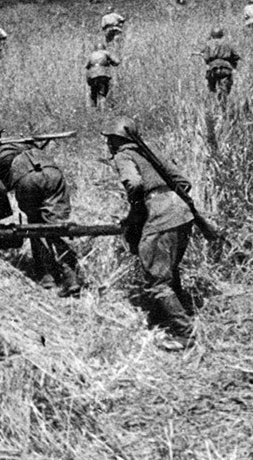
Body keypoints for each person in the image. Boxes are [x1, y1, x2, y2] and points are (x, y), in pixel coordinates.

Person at [102, 116, 196, 348]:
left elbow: (133, 183)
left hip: (161, 214)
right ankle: (169, 313)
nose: (108, 144)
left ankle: (184, 333)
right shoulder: (149, 153)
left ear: (115, 140)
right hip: (183, 213)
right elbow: (183, 182)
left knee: (157, 280)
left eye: (109, 140)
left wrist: (139, 207)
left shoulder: (123, 155)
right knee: (168, 270)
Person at [0, 117, 82, 296]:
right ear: (0, 133)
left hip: (27, 181)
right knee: (58, 226)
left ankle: (47, 278)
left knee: (36, 226)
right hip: (53, 174)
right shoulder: (20, 142)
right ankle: (71, 279)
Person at [201, 28, 241, 103]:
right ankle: (223, 103)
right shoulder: (227, 44)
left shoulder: (209, 44)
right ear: (222, 35)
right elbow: (236, 56)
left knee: (211, 88)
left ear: (212, 35)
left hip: (213, 68)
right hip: (225, 69)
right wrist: (233, 66)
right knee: (225, 88)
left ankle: (213, 102)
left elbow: (206, 58)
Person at [85, 44, 121, 109]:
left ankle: (94, 110)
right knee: (103, 93)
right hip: (103, 74)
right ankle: (103, 109)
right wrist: (110, 62)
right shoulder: (106, 53)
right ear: (104, 48)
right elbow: (117, 62)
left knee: (94, 93)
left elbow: (86, 66)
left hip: (93, 75)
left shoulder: (92, 54)